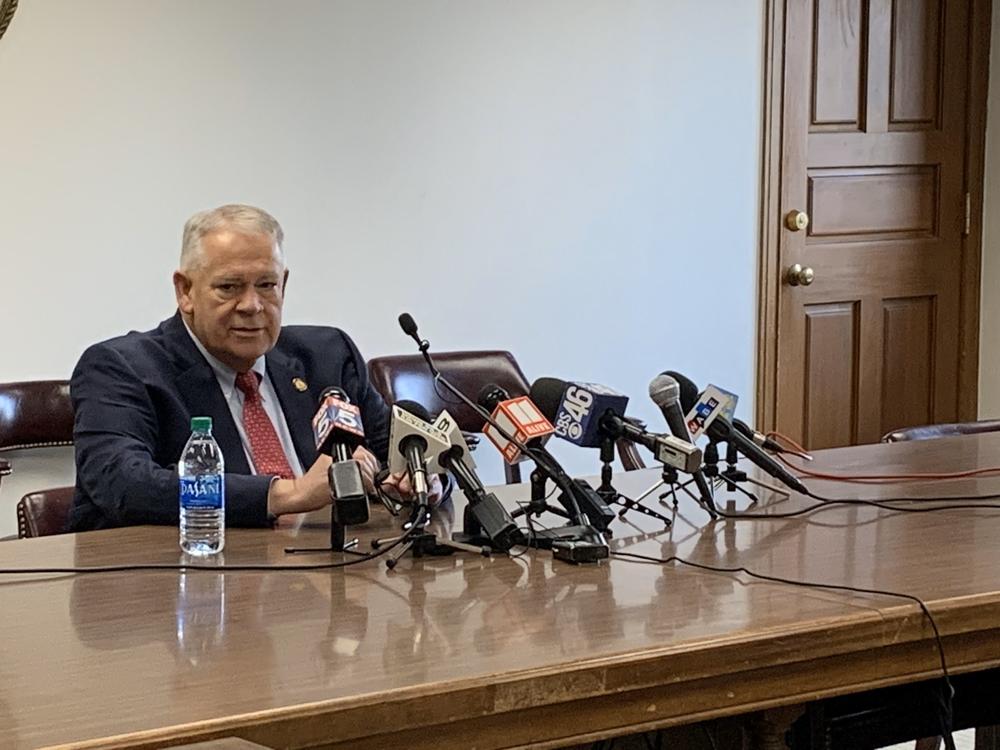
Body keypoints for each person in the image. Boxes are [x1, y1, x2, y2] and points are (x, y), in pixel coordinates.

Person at [69, 204, 440, 531]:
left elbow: (399, 445)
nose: (252, 305)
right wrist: (286, 494)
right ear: (185, 291)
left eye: (266, 285)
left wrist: (418, 478)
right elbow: (125, 483)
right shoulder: (122, 368)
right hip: (186, 587)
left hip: (323, 581)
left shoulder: (326, 355)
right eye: (229, 287)